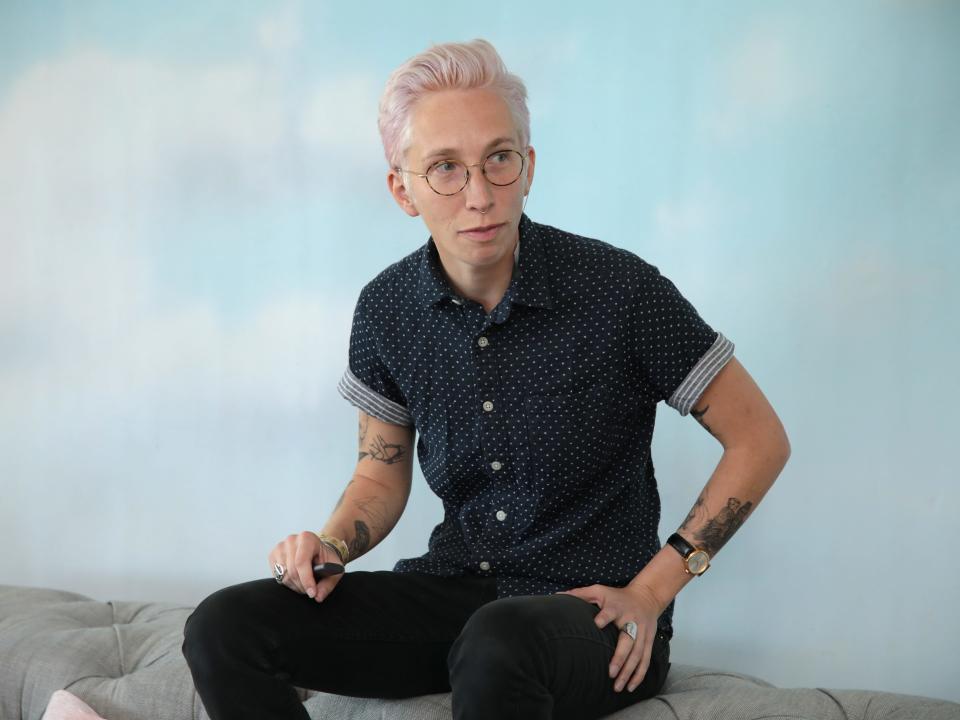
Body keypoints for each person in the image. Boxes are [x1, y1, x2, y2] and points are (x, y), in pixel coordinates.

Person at [181, 38, 791, 720]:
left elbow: (759, 440)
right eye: (445, 168)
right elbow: (379, 475)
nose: (479, 195)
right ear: (402, 189)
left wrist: (652, 592)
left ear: (528, 167)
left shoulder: (621, 290)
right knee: (223, 627)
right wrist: (329, 545)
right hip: (453, 596)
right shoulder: (385, 310)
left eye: (498, 160)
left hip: (593, 615)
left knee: (497, 642)